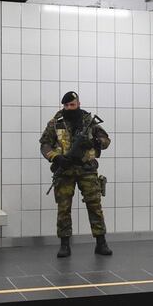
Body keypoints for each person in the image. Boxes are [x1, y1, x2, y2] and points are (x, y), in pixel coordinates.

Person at [40, 91, 112, 257]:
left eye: (72, 105)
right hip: (65, 171)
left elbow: (106, 141)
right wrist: (56, 158)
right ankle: (65, 244)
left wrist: (94, 142)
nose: (69, 108)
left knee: (94, 205)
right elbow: (44, 145)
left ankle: (101, 242)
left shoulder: (89, 121)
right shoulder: (55, 123)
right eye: (66, 105)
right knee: (64, 208)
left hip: (87, 169)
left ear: (78, 104)